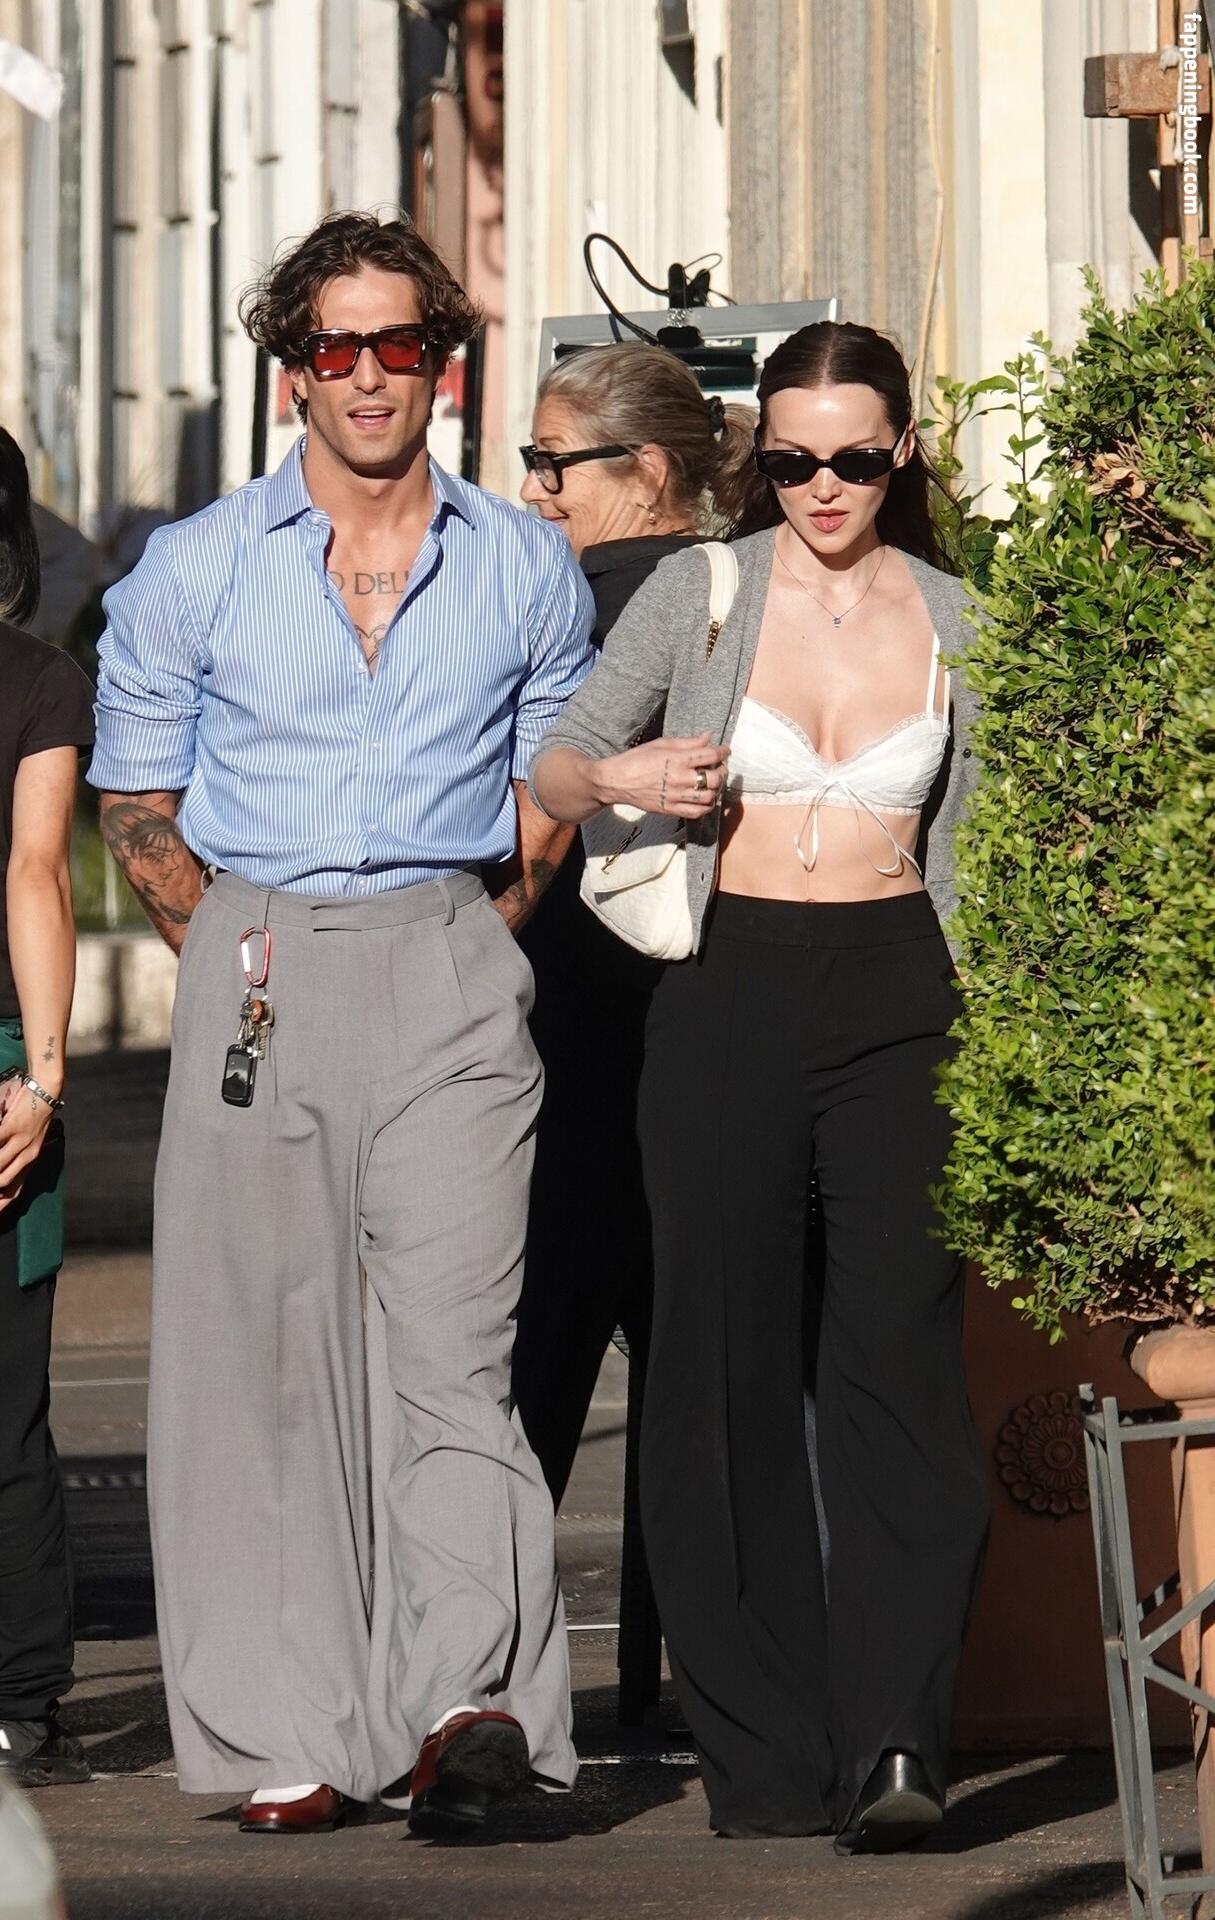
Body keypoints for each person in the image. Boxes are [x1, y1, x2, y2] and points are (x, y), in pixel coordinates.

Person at [89, 211, 594, 1839]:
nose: (370, 376)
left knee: (457, 1353)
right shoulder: (197, 567)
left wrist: (473, 946)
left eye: (401, 345)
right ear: (291, 372)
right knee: (262, 1358)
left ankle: (466, 1709)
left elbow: (544, 793)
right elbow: (137, 804)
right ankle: (285, 1726)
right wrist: (241, 957)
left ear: (443, 366)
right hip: (259, 955)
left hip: (450, 954)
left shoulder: (521, 564)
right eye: (337, 347)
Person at [531, 321, 990, 1852]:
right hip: (726, 993)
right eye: (791, 458)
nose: (823, 486)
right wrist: (626, 778)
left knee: (898, 1366)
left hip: (904, 1001)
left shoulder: (965, 623)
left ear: (902, 452)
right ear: (759, 458)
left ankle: (900, 1741)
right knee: (719, 1368)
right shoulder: (702, 594)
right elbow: (558, 764)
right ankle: (768, 1754)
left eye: (854, 456)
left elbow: (986, 854)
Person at [512, 344, 759, 1505]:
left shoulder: (574, 616)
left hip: (570, 1030)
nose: (533, 488)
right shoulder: (756, 599)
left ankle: (489, 1615)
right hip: (716, 1022)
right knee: (700, 1396)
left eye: (553, 461)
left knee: (531, 1378)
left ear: (648, 468)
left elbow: (519, 830)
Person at [0, 420, 96, 1787]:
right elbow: (38, 877)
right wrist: (46, 1080)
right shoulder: (38, 679)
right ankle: (21, 1701)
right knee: (3, 1410)